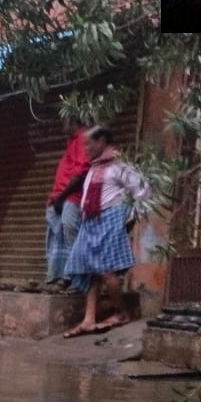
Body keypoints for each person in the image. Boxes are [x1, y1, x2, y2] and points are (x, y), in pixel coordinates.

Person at [63, 125, 150, 338]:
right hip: (90, 221)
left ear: (102, 141)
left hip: (109, 218)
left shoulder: (119, 165)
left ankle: (121, 313)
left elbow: (143, 191)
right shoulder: (95, 167)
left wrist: (129, 219)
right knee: (91, 271)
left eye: (88, 143)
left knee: (106, 270)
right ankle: (89, 320)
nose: (85, 148)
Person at [45, 122, 91, 291]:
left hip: (70, 197)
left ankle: (73, 278)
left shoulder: (81, 138)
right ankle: (58, 276)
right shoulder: (71, 141)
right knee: (58, 238)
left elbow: (80, 172)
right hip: (60, 197)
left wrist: (62, 197)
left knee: (70, 233)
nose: (61, 124)